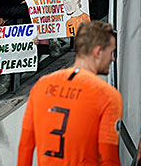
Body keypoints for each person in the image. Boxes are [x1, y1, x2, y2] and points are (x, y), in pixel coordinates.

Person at [18, 21, 121, 166]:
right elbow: (109, 159)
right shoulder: (107, 95)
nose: (112, 59)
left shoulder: (42, 85)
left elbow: (25, 147)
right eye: (111, 52)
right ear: (98, 52)